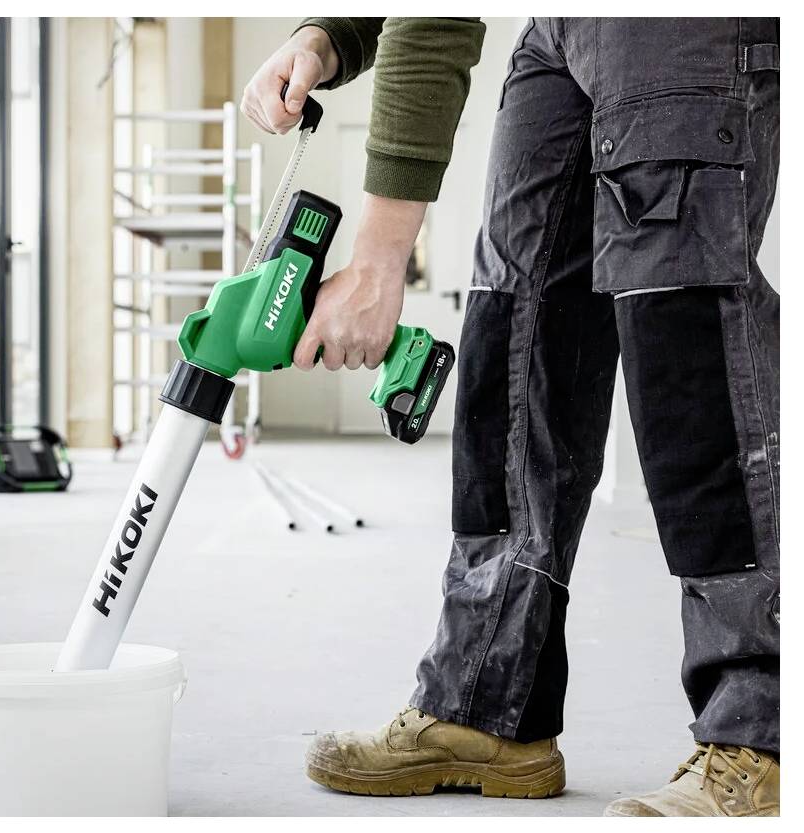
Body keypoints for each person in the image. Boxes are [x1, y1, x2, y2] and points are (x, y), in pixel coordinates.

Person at [242, 17, 779, 817]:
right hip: (560, 30)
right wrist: (330, 35)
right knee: (515, 326)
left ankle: (762, 728)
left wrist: (383, 257)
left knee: (685, 342)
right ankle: (489, 709)